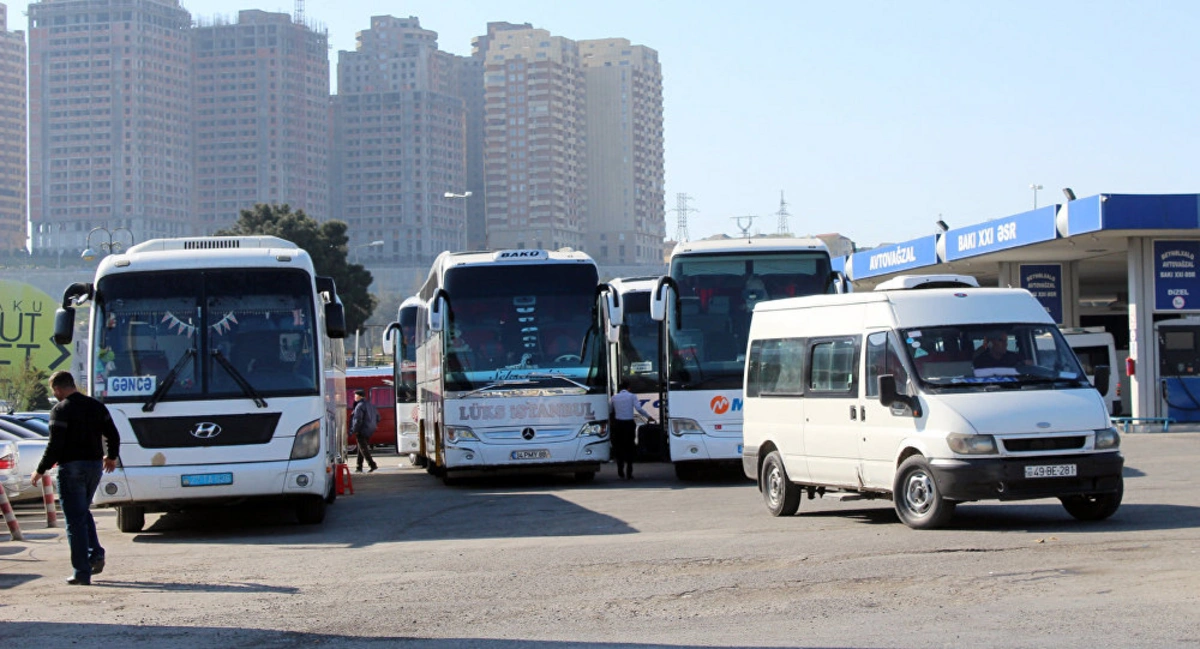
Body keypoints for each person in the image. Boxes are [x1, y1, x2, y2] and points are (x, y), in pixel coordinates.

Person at [30, 371, 120, 586]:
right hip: (94, 466)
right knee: (81, 511)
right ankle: (95, 553)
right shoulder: (96, 406)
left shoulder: (61, 410)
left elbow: (55, 445)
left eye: (54, 390)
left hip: (71, 467)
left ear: (59, 388)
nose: (55, 394)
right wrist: (112, 456)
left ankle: (81, 571)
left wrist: (40, 469)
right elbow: (113, 433)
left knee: (74, 520)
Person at [610, 380, 654, 480]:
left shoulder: (614, 397)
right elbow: (639, 409)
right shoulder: (632, 396)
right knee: (629, 447)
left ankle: (620, 469)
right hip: (629, 424)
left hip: (618, 424)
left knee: (619, 447)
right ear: (628, 388)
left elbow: (610, 410)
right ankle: (629, 472)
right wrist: (648, 416)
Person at [350, 388, 380, 473]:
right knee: (361, 448)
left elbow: (357, 420)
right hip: (369, 429)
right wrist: (372, 424)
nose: (354, 397)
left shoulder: (359, 406)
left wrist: (354, 430)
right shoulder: (370, 404)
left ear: (359, 396)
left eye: (355, 395)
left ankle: (372, 465)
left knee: (363, 449)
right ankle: (359, 467)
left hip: (361, 430)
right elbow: (378, 417)